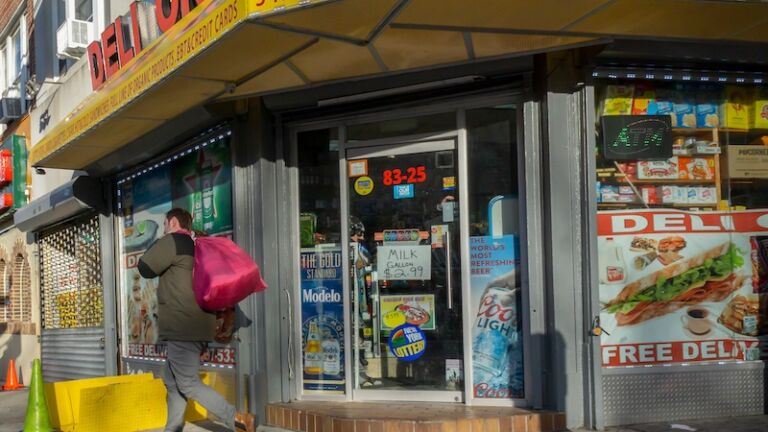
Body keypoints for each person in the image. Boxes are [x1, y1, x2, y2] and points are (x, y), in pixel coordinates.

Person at [138, 208, 254, 432]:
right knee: (172, 382)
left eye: (164, 225)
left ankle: (237, 419)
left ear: (172, 222)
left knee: (188, 383)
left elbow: (145, 267)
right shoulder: (197, 245)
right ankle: (172, 428)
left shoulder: (174, 240)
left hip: (182, 326)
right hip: (199, 324)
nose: (163, 229)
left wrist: (160, 241)